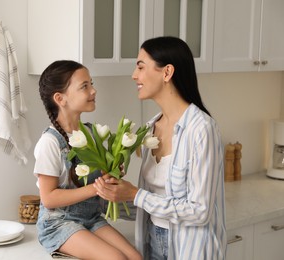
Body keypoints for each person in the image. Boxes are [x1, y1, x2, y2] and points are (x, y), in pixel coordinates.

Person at [94, 36, 227, 260]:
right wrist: (114, 194)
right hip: (153, 242)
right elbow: (152, 204)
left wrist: (135, 194)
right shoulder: (150, 128)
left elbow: (199, 211)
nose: (134, 75)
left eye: (140, 66)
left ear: (166, 73)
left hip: (190, 250)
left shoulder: (201, 129)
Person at [34, 60, 142, 260]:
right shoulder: (50, 143)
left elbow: (96, 179)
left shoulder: (92, 134)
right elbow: (49, 198)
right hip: (58, 223)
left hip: (90, 218)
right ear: (60, 98)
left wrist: (111, 173)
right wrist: (96, 188)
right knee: (116, 258)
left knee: (136, 257)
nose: (93, 91)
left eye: (91, 84)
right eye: (85, 86)